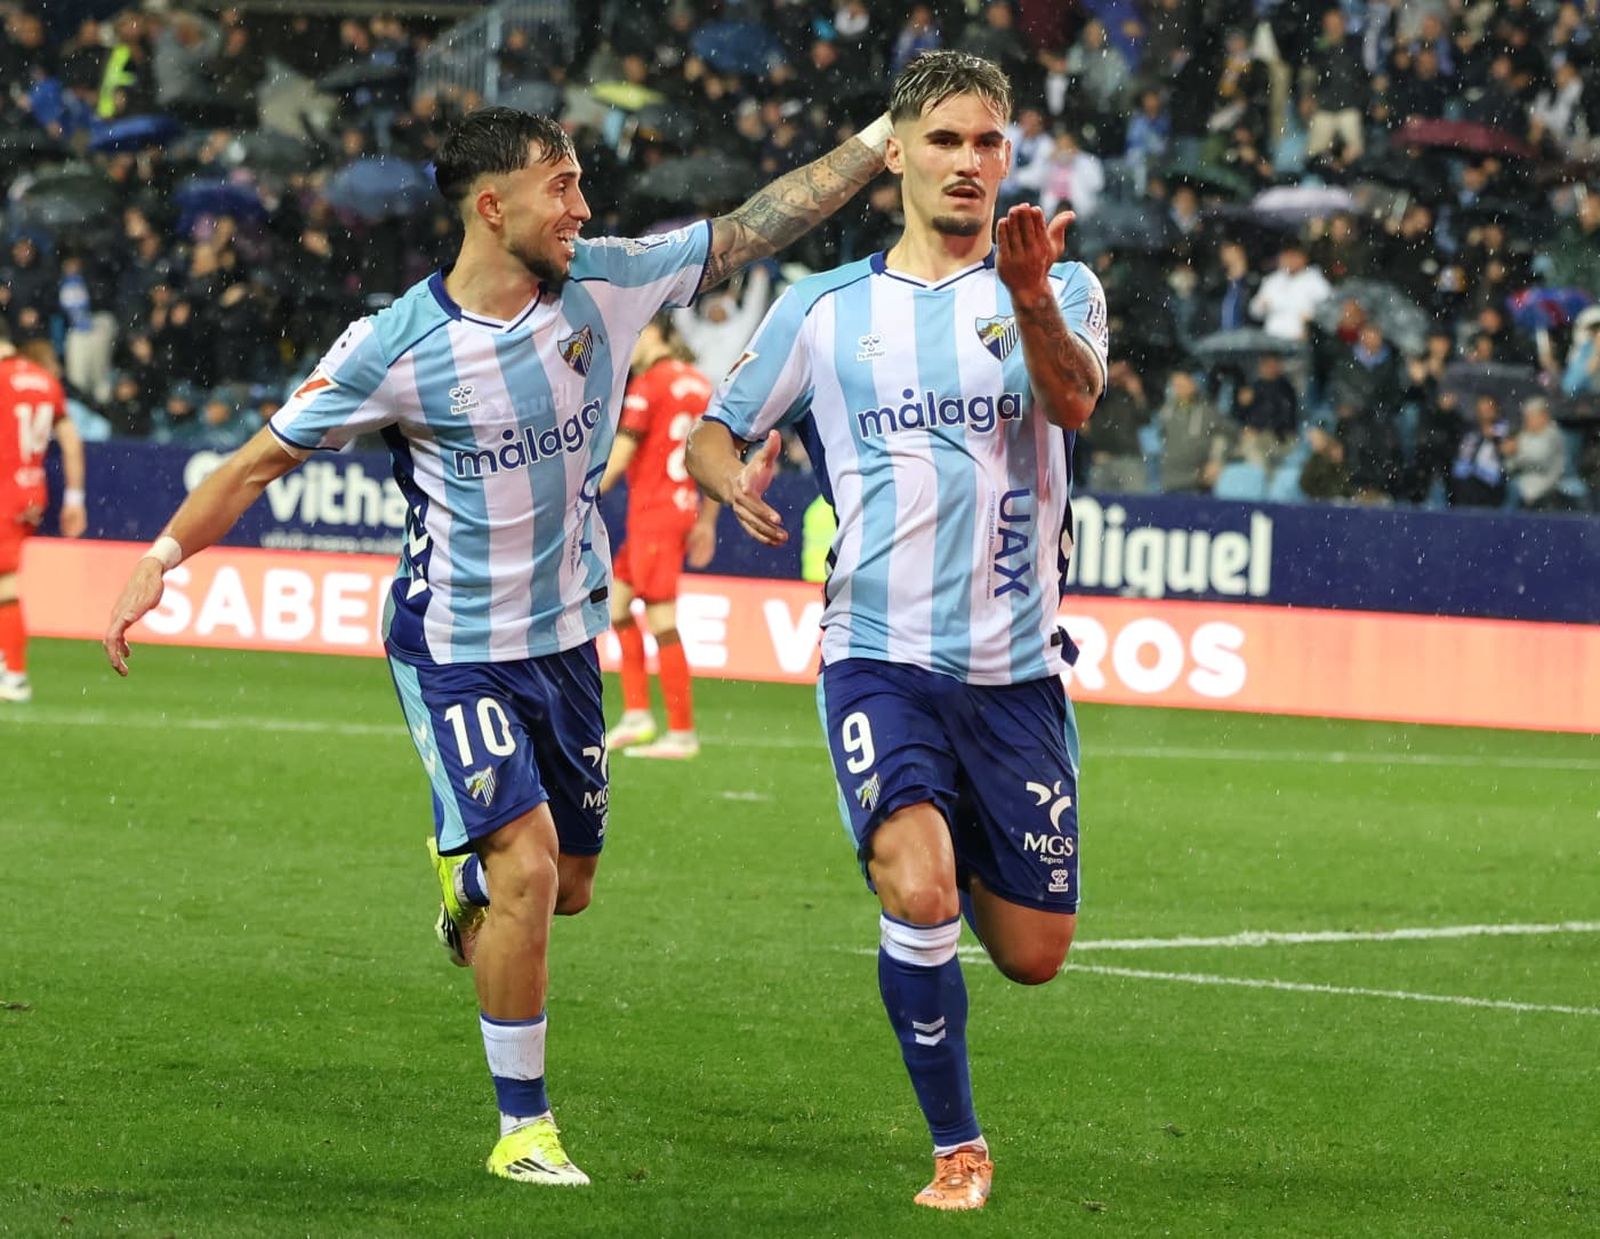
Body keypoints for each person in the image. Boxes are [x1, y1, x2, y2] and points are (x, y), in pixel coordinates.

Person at [102, 104, 891, 1186]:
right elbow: (255, 463)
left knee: (568, 884)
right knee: (525, 863)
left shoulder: (610, 283)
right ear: (491, 206)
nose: (583, 208)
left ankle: (460, 873)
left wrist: (880, 140)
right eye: (560, 187)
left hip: (566, 642)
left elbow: (755, 226)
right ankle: (525, 1127)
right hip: (453, 646)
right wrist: (160, 556)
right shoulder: (394, 344)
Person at [686, 51, 1106, 1212]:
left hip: (1015, 672)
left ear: (1008, 158)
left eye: (987, 143)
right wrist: (727, 478)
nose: (967, 162)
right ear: (898, 155)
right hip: (877, 655)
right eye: (944, 140)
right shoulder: (823, 309)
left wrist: (1029, 294)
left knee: (1032, 955)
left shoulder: (1060, 284)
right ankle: (957, 1146)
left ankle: (934, 829)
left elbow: (1072, 402)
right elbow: (713, 433)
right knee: (919, 896)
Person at [601, 313, 719, 759]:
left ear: (653, 332)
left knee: (661, 618)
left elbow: (620, 457)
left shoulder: (648, 386)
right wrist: (707, 521)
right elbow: (717, 458)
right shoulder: (700, 384)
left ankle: (682, 733)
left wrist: (579, 496)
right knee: (617, 605)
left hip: (655, 514)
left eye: (631, 335)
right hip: (679, 509)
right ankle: (638, 716)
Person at [0, 326, 87, 702]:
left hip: (3, 489)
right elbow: (70, 440)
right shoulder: (44, 380)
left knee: (5, 586)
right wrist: (75, 498)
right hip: (31, 490)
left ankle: (15, 675)